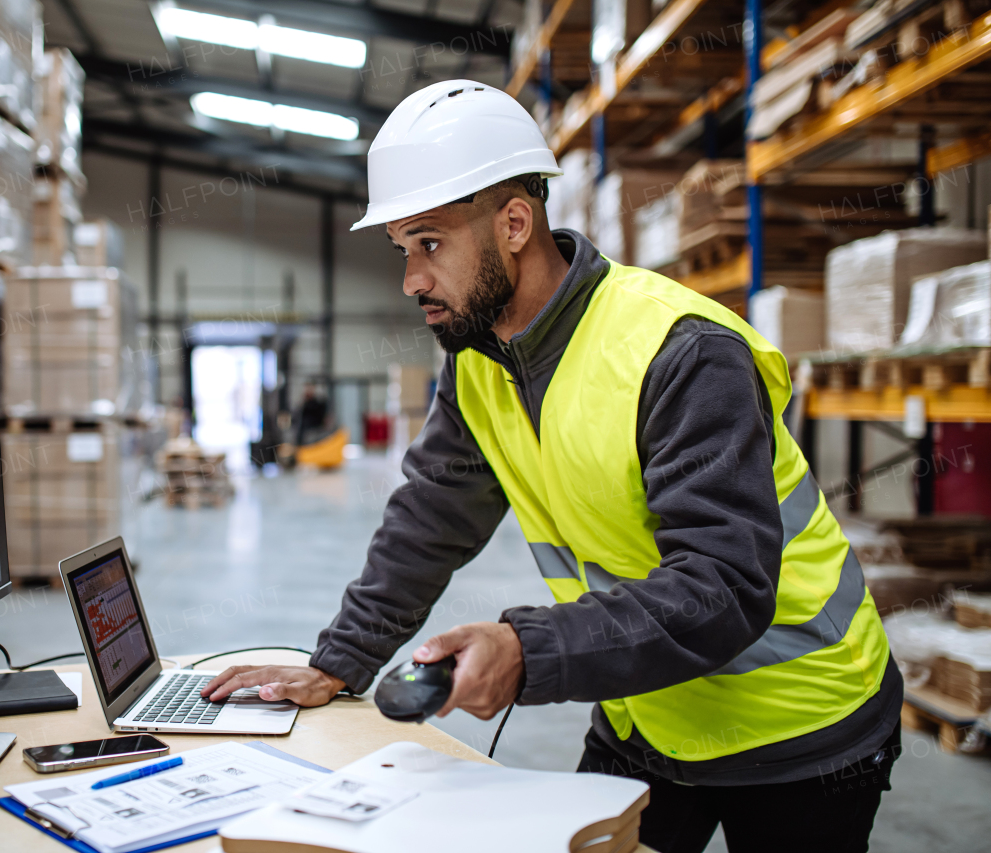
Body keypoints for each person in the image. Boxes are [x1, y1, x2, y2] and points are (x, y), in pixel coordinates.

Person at [203, 80, 900, 853]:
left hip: (799, 725)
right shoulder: (478, 364)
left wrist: (528, 650)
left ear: (513, 223)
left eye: (428, 244)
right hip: (647, 712)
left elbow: (725, 587)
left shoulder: (681, 352)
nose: (411, 280)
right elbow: (430, 519)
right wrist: (337, 662)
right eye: (402, 249)